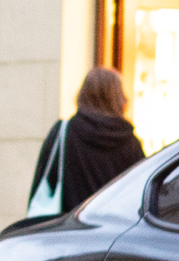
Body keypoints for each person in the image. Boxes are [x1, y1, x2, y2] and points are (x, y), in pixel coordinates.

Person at [30, 66, 147, 214]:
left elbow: (42, 182)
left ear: (83, 94)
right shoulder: (130, 143)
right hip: (112, 232)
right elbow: (138, 195)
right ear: (119, 99)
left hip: (67, 230)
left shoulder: (64, 132)